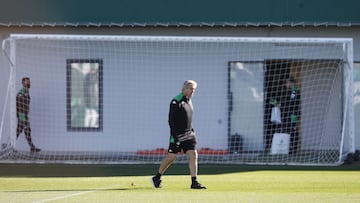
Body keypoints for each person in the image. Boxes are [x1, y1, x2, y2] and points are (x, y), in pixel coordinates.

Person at [151, 80, 206, 189]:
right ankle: (157, 177)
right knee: (172, 157)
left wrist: (191, 131)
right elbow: (171, 121)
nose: (192, 92)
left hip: (189, 134)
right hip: (177, 135)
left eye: (194, 90)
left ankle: (194, 182)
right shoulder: (176, 101)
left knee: (193, 155)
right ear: (185, 89)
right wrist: (175, 136)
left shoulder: (189, 101)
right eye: (191, 89)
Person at [16, 77, 41, 152]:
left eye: (29, 82)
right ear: (23, 83)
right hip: (22, 114)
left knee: (23, 130)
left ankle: (32, 147)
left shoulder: (26, 92)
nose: (29, 83)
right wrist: (21, 114)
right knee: (22, 130)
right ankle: (9, 145)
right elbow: (18, 102)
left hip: (24, 114)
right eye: (27, 82)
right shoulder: (22, 92)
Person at [282, 77, 301, 154]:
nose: (286, 84)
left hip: (293, 114)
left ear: (291, 83)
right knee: (289, 129)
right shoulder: (290, 91)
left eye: (287, 83)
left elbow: (292, 101)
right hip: (290, 113)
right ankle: (290, 147)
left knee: (293, 129)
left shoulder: (294, 90)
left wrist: (282, 104)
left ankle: (294, 149)